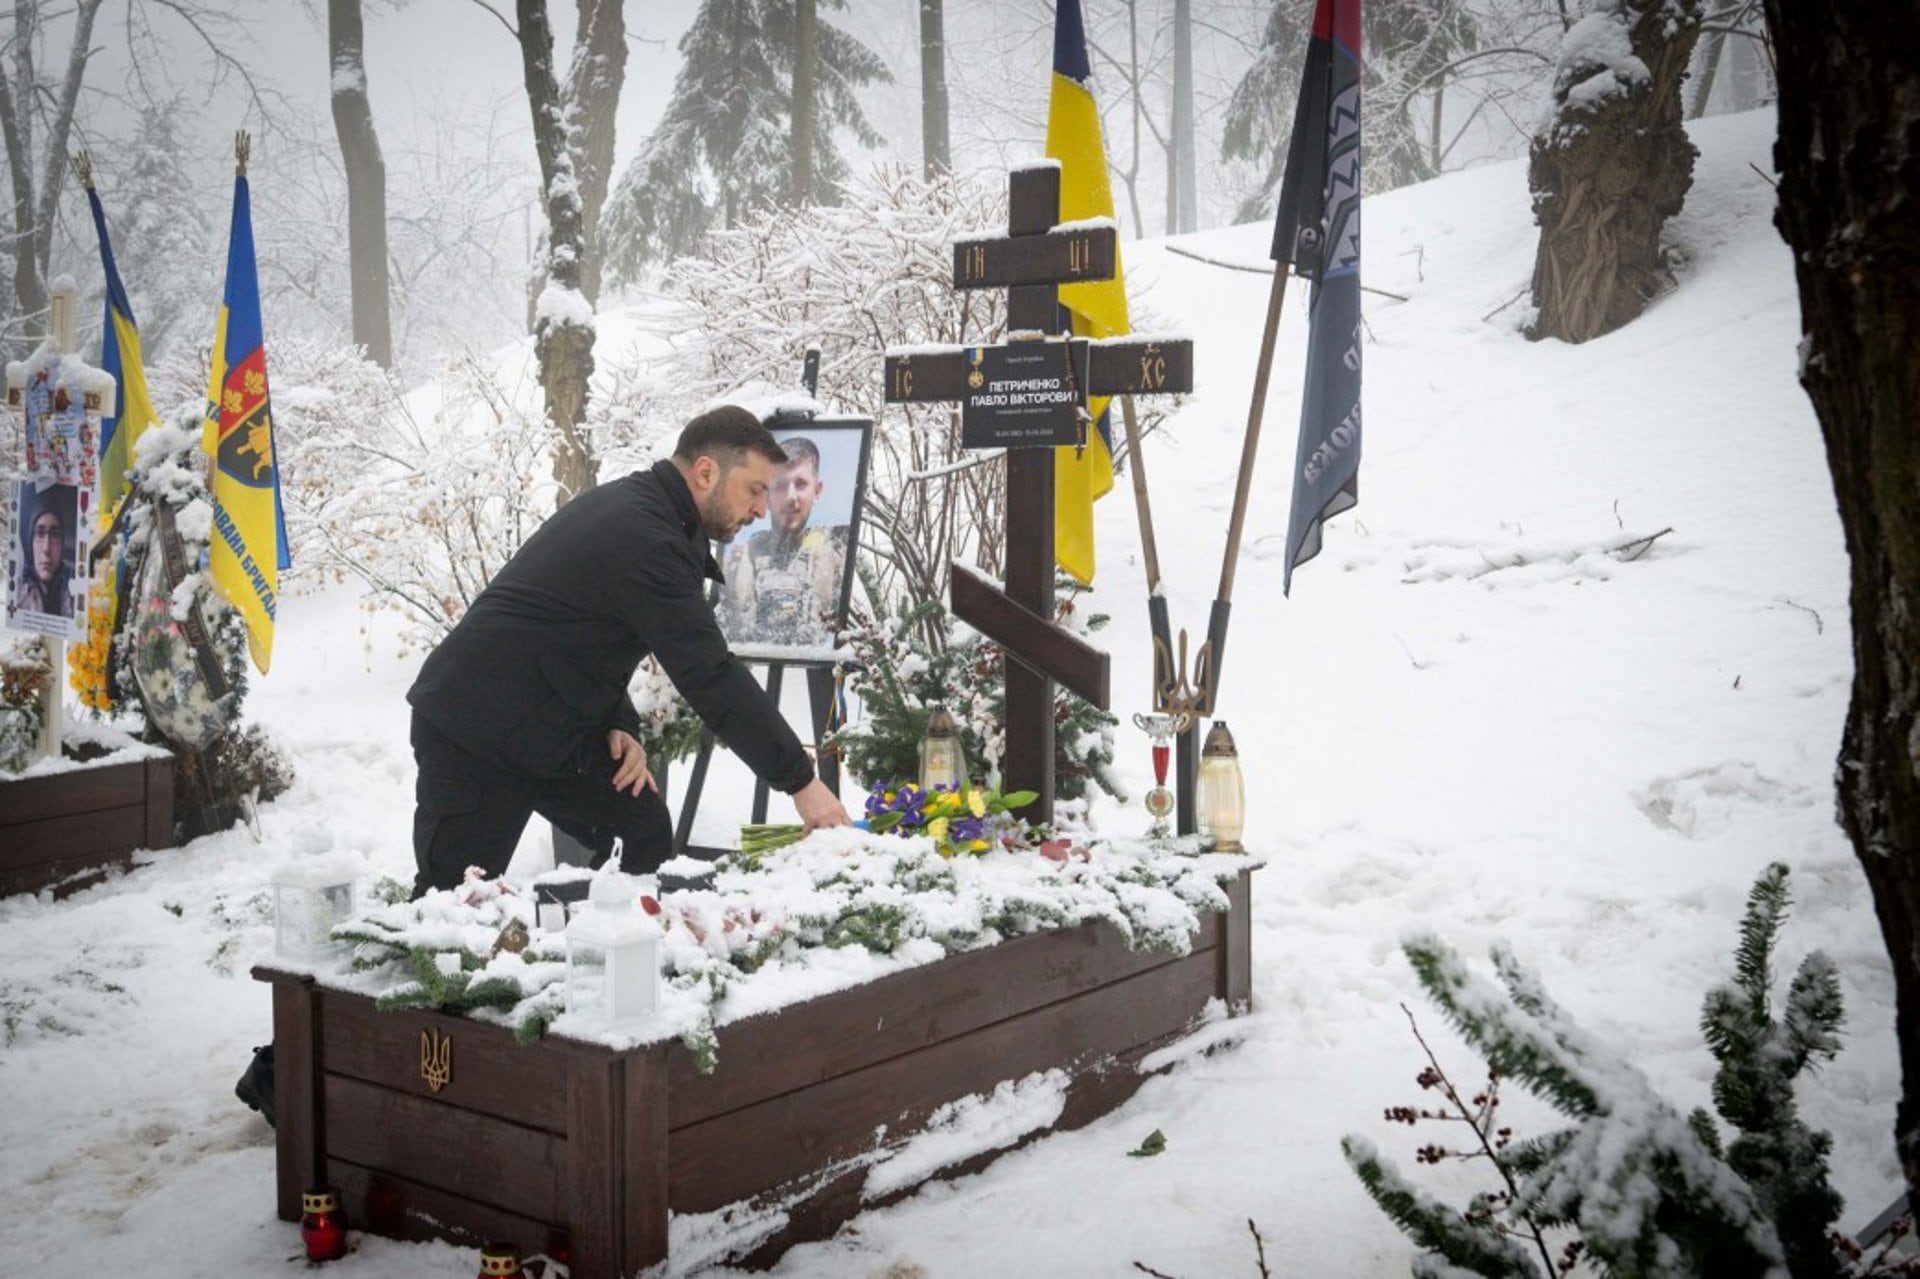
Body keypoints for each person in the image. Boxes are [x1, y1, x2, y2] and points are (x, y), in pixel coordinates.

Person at [404, 406, 851, 896]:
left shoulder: (652, 516)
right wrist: (801, 783)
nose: (762, 509)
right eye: (755, 489)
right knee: (454, 902)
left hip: (553, 727)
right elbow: (709, 674)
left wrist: (619, 722)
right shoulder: (644, 534)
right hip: (475, 729)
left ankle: (611, 953)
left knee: (639, 835)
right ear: (706, 473)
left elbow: (585, 629)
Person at [721, 435, 847, 645]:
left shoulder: (836, 564)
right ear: (766, 495)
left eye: (801, 484)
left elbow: (860, 645)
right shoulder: (737, 563)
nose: (791, 497)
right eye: (780, 485)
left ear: (817, 490)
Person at [12, 486, 74, 619]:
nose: (46, 548)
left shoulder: (75, 593)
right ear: (30, 542)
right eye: (40, 533)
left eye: (55, 535)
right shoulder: (19, 596)